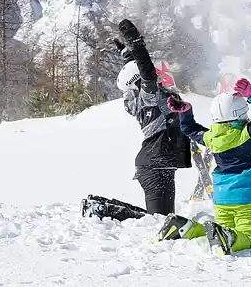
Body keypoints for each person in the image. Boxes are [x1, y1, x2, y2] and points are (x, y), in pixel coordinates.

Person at [154, 77, 251, 256]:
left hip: (222, 198)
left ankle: (186, 228)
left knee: (221, 231)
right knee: (250, 237)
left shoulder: (211, 137)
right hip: (248, 198)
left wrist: (185, 112)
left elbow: (190, 129)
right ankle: (225, 238)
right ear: (241, 111)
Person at [81, 19, 192, 221]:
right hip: (156, 163)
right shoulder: (150, 96)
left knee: (161, 219)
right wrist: (136, 42)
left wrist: (127, 56)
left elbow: (137, 73)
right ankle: (101, 210)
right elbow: (146, 71)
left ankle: (101, 207)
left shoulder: (142, 98)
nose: (158, 76)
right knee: (160, 221)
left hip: (158, 163)